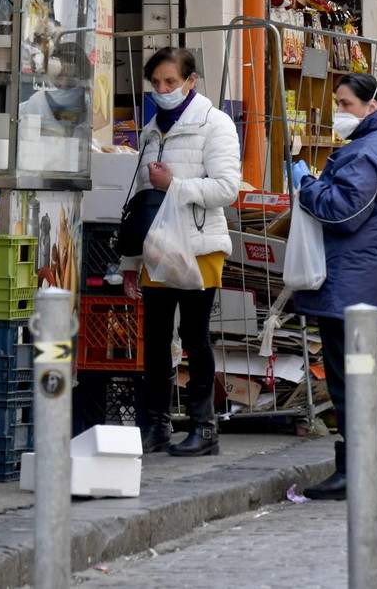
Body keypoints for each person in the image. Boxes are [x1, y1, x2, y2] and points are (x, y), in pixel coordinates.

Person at [293, 75, 377, 499]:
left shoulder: (369, 150)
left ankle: (356, 470)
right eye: (337, 102)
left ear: (371, 106)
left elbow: (342, 212)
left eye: (345, 103)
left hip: (352, 279)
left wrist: (306, 184)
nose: (339, 111)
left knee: (352, 380)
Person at [123, 47, 241, 457]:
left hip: (199, 245)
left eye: (171, 81)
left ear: (191, 81)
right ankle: (156, 426)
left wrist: (174, 186)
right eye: (156, 82)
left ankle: (204, 428)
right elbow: (142, 199)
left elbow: (227, 189)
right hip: (157, 246)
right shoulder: (151, 129)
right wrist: (130, 262)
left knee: (194, 333)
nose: (162, 89)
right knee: (155, 337)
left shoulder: (215, 123)